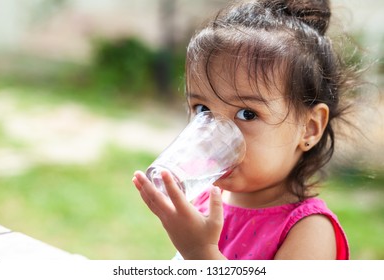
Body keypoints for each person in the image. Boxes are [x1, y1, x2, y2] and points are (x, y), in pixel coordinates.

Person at [132, 0, 359, 260]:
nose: (213, 134)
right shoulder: (206, 201)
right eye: (203, 109)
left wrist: (201, 253)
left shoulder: (309, 230)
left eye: (247, 114)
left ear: (309, 128)